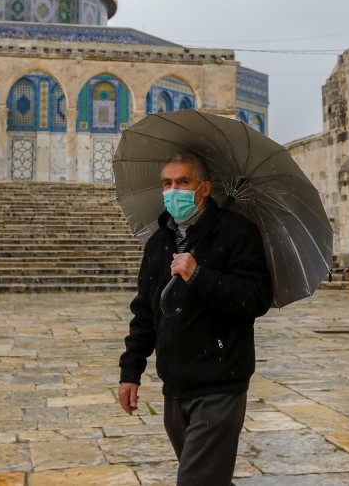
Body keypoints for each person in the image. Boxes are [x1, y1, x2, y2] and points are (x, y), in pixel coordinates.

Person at [118, 153, 274, 486]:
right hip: (176, 386)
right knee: (210, 478)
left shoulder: (237, 234)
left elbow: (256, 298)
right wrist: (130, 371)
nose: (173, 190)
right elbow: (145, 312)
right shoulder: (158, 244)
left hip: (220, 382)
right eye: (167, 183)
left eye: (183, 182)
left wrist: (199, 274)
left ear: (204, 188)